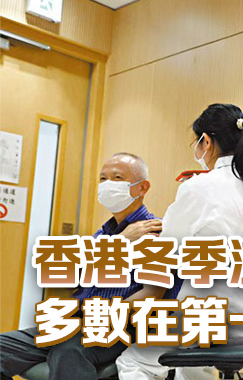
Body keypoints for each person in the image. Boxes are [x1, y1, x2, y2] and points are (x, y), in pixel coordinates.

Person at [116, 104, 243, 380]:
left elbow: (164, 255)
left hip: (211, 321)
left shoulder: (198, 187)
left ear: (206, 141)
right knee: (190, 364)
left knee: (135, 361)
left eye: (197, 143)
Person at [0, 152, 168, 380]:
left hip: (121, 325)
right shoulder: (102, 235)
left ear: (142, 188)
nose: (107, 185)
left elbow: (152, 294)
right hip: (75, 321)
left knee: (68, 350)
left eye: (117, 178)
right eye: (103, 179)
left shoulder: (155, 233)